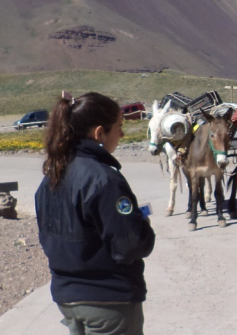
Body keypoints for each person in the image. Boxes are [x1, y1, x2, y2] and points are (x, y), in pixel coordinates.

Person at [36, 91, 156, 335]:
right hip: (107, 301)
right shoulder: (103, 180)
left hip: (67, 297)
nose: (122, 135)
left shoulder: (53, 174)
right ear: (99, 133)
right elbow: (129, 246)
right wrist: (142, 226)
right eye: (119, 127)